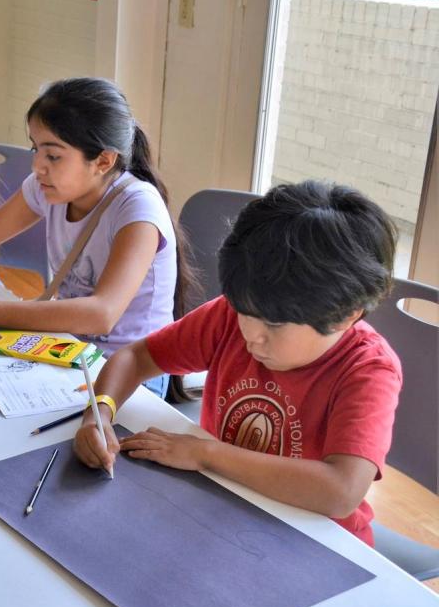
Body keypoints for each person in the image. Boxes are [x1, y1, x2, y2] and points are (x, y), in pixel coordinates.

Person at [73, 181, 401, 546]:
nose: (251, 335)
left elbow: (340, 491)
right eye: (245, 312)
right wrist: (99, 413)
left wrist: (205, 453)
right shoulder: (235, 315)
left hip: (314, 541)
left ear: (345, 316)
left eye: (274, 325)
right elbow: (138, 356)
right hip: (223, 506)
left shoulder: (367, 369)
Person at [0, 77, 190, 398]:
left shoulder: (137, 208)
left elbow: (101, 314)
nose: (37, 165)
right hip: (71, 350)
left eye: (53, 156)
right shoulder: (49, 187)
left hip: (130, 371)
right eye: (35, 148)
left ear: (103, 161)